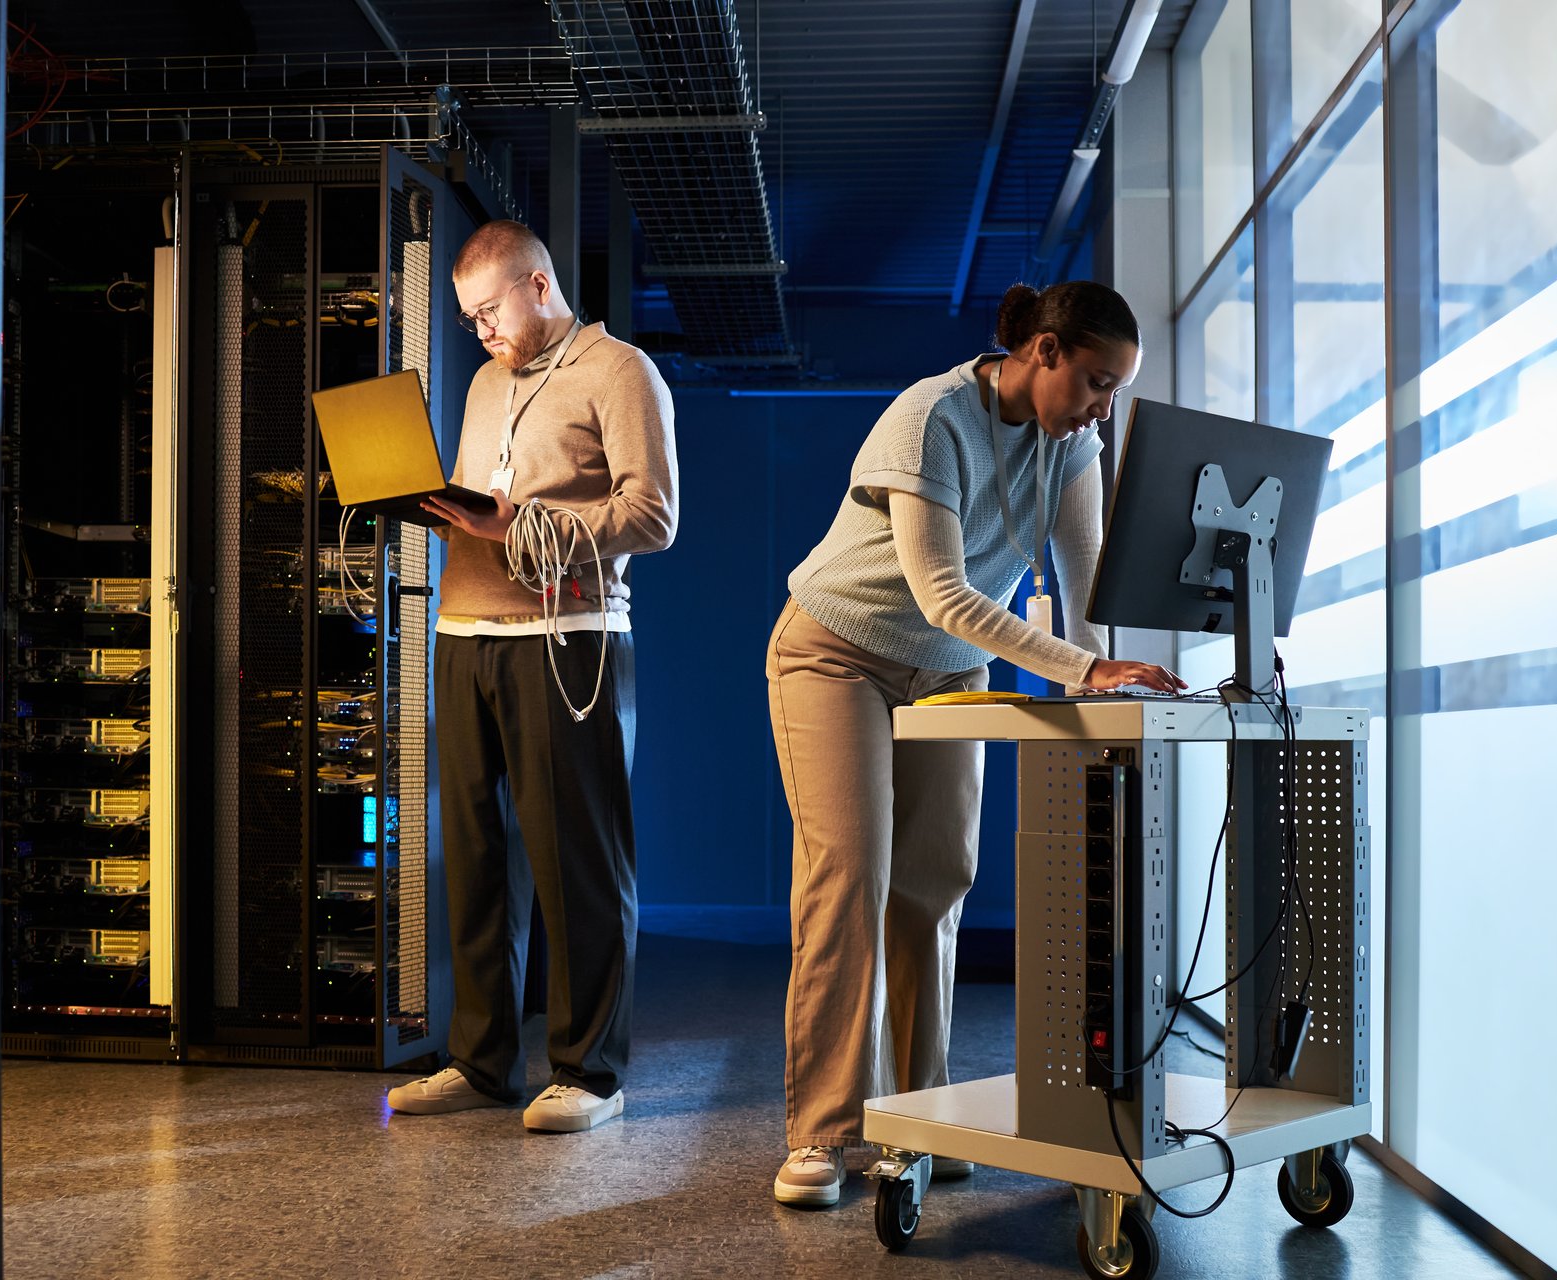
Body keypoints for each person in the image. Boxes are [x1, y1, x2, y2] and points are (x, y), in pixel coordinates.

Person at [766, 280, 1182, 1204]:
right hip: (836, 652)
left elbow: (1089, 584)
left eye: (1116, 389)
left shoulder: (1075, 443)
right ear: (1042, 352)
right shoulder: (930, 420)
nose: (1103, 406)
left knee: (935, 883)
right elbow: (943, 596)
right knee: (851, 877)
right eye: (1095, 381)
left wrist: (1110, 673)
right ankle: (825, 1132)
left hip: (948, 670)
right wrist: (1081, 673)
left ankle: (919, 1118)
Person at [386, 220, 678, 1134]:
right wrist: (443, 511)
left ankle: (590, 1073)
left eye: (489, 311)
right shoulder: (482, 383)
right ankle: (481, 1063)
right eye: (470, 318)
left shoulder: (621, 371)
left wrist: (519, 524)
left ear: (540, 286)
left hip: (570, 638)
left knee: (576, 859)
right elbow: (491, 510)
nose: (482, 332)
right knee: (475, 861)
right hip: (465, 635)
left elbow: (654, 516)